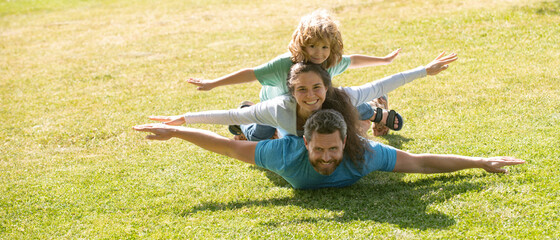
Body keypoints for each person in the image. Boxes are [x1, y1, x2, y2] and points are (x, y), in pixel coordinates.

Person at [133, 109, 525, 189]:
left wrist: (478, 162)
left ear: (345, 144)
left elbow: (419, 163)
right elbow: (227, 150)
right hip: (273, 139)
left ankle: (373, 111)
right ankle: (250, 122)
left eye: (332, 150)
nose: (325, 157)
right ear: (305, 143)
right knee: (252, 138)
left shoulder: (364, 154)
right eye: (318, 150)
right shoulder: (284, 153)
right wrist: (178, 133)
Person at [149, 52, 457, 147]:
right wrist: (184, 120)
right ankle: (373, 112)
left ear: (327, 85)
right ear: (291, 91)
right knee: (253, 131)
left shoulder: (341, 95)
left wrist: (424, 70)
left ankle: (372, 110)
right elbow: (230, 113)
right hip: (270, 124)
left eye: (316, 88)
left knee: (353, 121)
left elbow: (384, 81)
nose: (310, 96)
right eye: (301, 90)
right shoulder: (280, 106)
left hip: (329, 123)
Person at [185, 9, 401, 140]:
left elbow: (353, 60)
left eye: (324, 47)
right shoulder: (283, 64)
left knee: (340, 102)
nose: (318, 53)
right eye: (312, 46)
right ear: (302, 44)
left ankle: (375, 109)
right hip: (276, 108)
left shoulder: (330, 61)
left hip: (312, 105)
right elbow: (251, 74)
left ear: (332, 47)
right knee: (259, 135)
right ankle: (245, 115)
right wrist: (213, 83)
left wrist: (384, 60)